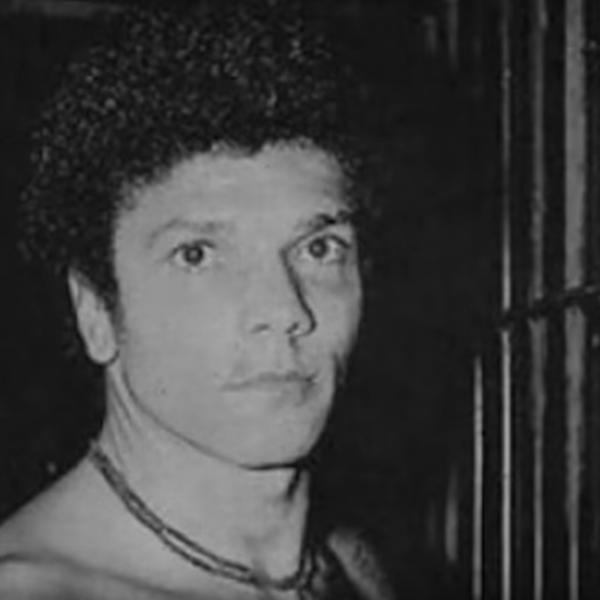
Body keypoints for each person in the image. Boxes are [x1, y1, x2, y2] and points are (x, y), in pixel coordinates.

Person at [0, 3, 394, 599]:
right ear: (96, 310)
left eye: (318, 248)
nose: (284, 309)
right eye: (198, 255)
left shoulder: (355, 568)